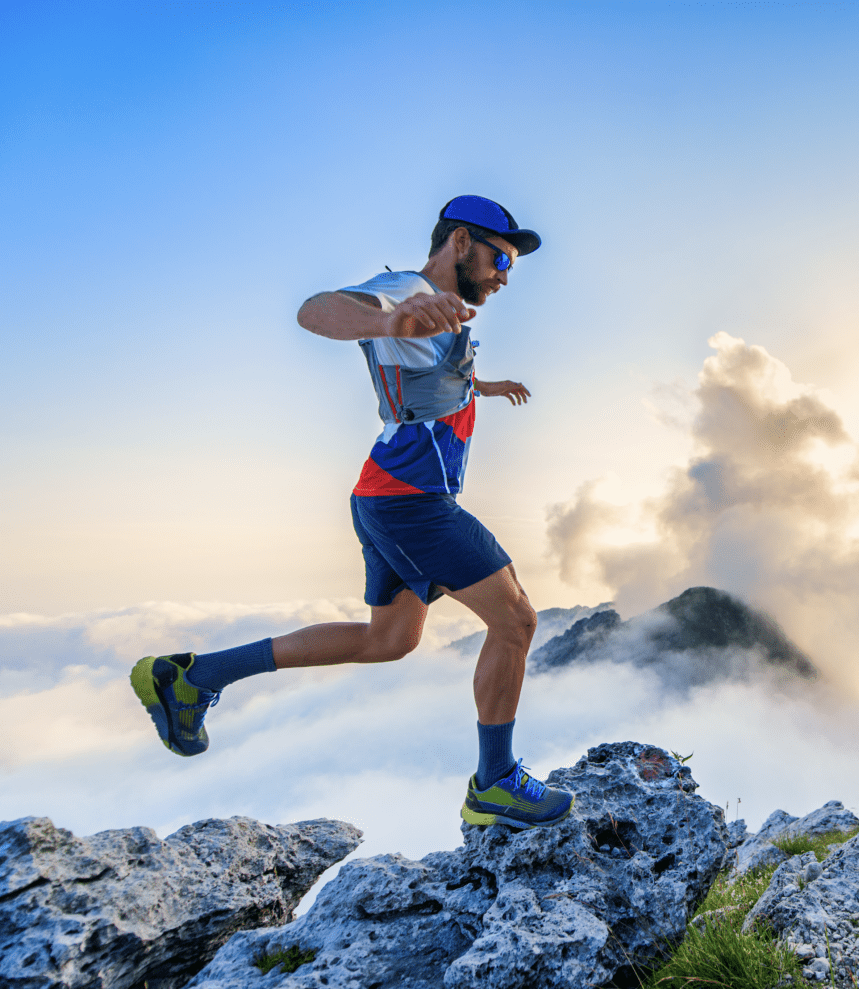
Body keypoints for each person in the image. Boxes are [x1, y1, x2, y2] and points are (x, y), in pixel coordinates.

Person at [129, 195, 573, 829]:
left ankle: (192, 679)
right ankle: (494, 784)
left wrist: (484, 385)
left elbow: (428, 369)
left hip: (383, 496)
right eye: (501, 257)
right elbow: (318, 312)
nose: (505, 273)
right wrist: (390, 320)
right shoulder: (402, 291)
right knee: (517, 622)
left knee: (388, 639)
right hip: (414, 505)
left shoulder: (433, 311)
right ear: (462, 244)